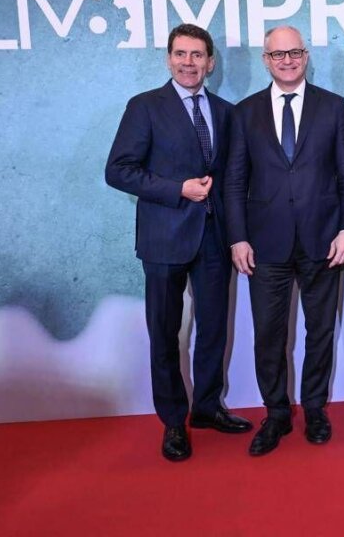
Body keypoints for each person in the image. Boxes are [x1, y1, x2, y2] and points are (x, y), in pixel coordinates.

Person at [105, 23, 253, 462]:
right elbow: (118, 170)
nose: (189, 63)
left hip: (214, 239)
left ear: (210, 62)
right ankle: (173, 421)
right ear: (169, 59)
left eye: (197, 55)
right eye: (181, 54)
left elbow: (234, 178)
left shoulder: (227, 112)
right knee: (165, 333)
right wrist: (178, 189)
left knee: (213, 329)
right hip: (163, 238)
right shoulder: (145, 106)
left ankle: (207, 407)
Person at [225, 25, 344, 457]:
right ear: (265, 60)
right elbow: (234, 182)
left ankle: (315, 408)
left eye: (294, 52)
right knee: (268, 334)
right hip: (265, 245)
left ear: (306, 55)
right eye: (278, 54)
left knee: (320, 330)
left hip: (324, 241)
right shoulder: (244, 113)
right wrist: (238, 237)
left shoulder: (333, 107)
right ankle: (277, 413)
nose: (287, 61)